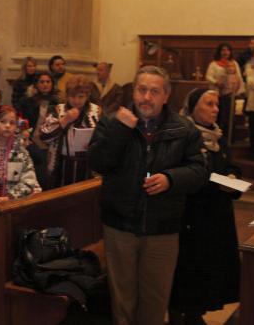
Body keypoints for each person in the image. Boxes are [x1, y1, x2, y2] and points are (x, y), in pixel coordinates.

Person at [88, 65, 208, 325]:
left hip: (163, 229)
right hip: (120, 226)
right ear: (134, 91)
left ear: (166, 95)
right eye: (142, 90)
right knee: (122, 300)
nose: (147, 97)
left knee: (155, 301)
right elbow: (98, 162)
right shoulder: (112, 121)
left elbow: (200, 170)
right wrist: (121, 130)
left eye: (155, 91)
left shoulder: (183, 129)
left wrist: (171, 179)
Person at [169, 89, 241, 324]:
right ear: (192, 108)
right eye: (209, 104)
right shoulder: (182, 135)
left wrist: (232, 176)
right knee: (189, 268)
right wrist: (214, 184)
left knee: (209, 269)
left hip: (216, 215)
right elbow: (181, 174)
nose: (215, 109)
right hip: (191, 215)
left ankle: (194, 312)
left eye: (217, 104)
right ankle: (180, 312)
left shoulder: (218, 136)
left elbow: (228, 164)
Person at [40, 75, 100, 189]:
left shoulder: (96, 111)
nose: (76, 101)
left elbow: (104, 138)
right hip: (61, 164)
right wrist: (65, 120)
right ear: (67, 96)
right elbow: (44, 136)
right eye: (72, 96)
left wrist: (94, 144)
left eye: (81, 96)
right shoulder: (57, 110)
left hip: (87, 166)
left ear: (87, 96)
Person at [0, 105, 40, 205]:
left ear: (16, 126)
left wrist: (11, 196)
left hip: (12, 206)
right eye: (3, 121)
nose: (7, 125)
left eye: (12, 123)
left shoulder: (21, 152)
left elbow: (29, 181)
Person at [205, 43, 243, 138]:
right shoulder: (214, 64)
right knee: (218, 115)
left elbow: (239, 77)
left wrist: (237, 89)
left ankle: (229, 136)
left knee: (229, 116)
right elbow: (208, 76)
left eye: (227, 50)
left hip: (230, 94)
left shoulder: (234, 63)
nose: (225, 52)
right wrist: (216, 82)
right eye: (223, 50)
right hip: (217, 94)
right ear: (219, 52)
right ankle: (216, 135)